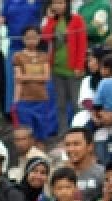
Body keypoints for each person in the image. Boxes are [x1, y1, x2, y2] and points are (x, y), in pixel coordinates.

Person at [42, 0, 87, 136]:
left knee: (76, 103)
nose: (58, 6)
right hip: (56, 69)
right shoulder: (52, 21)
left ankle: (80, 131)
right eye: (55, 3)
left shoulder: (77, 20)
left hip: (73, 69)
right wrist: (50, 19)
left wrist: (79, 66)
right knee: (60, 103)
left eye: (61, 2)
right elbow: (45, 37)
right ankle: (63, 132)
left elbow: (82, 44)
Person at [12, 26, 57, 145]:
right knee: (26, 135)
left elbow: (46, 77)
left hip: (41, 100)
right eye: (28, 38)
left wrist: (26, 77)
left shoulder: (44, 56)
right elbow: (18, 79)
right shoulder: (18, 56)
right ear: (23, 39)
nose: (31, 41)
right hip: (24, 100)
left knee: (41, 136)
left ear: (39, 38)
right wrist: (15, 101)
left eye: (34, 38)